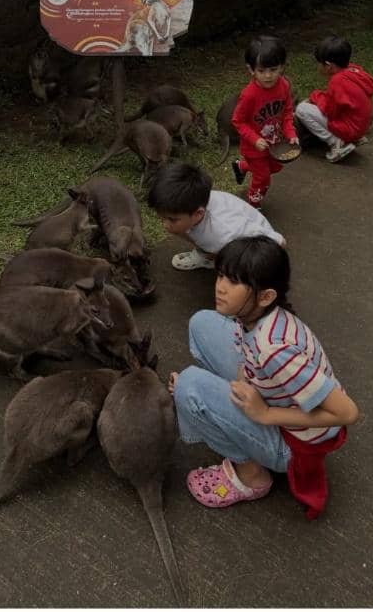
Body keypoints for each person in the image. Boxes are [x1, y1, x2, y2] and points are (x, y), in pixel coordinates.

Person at [168, 236, 359, 518]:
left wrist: (266, 413)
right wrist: (236, 385)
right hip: (276, 397)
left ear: (266, 296)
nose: (220, 287)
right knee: (201, 323)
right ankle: (219, 408)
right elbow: (248, 353)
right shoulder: (262, 317)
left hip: (292, 446)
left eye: (233, 282)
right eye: (221, 275)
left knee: (189, 387)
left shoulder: (275, 352)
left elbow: (348, 413)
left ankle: (251, 475)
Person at [146, 162, 285, 271]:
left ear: (198, 213)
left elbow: (278, 241)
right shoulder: (192, 201)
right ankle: (207, 255)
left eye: (171, 219)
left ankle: (217, 259)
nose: (165, 224)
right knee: (183, 230)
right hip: (212, 238)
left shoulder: (228, 230)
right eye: (161, 217)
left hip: (244, 249)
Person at [230, 35, 299, 208]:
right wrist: (255, 139)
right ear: (251, 69)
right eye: (261, 71)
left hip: (274, 143)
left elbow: (287, 112)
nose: (268, 76)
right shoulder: (249, 95)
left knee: (275, 168)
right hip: (254, 147)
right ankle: (254, 204)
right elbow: (238, 121)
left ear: (282, 67)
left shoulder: (284, 86)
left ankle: (242, 167)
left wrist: (290, 133)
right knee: (263, 178)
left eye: (273, 69)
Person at [295, 35, 373, 163]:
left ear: (328, 66)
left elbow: (331, 112)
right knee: (315, 102)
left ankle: (337, 144)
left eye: (319, 63)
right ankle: (351, 138)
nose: (319, 67)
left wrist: (315, 97)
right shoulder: (353, 70)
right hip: (362, 126)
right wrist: (319, 97)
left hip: (351, 129)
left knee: (301, 109)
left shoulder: (337, 81)